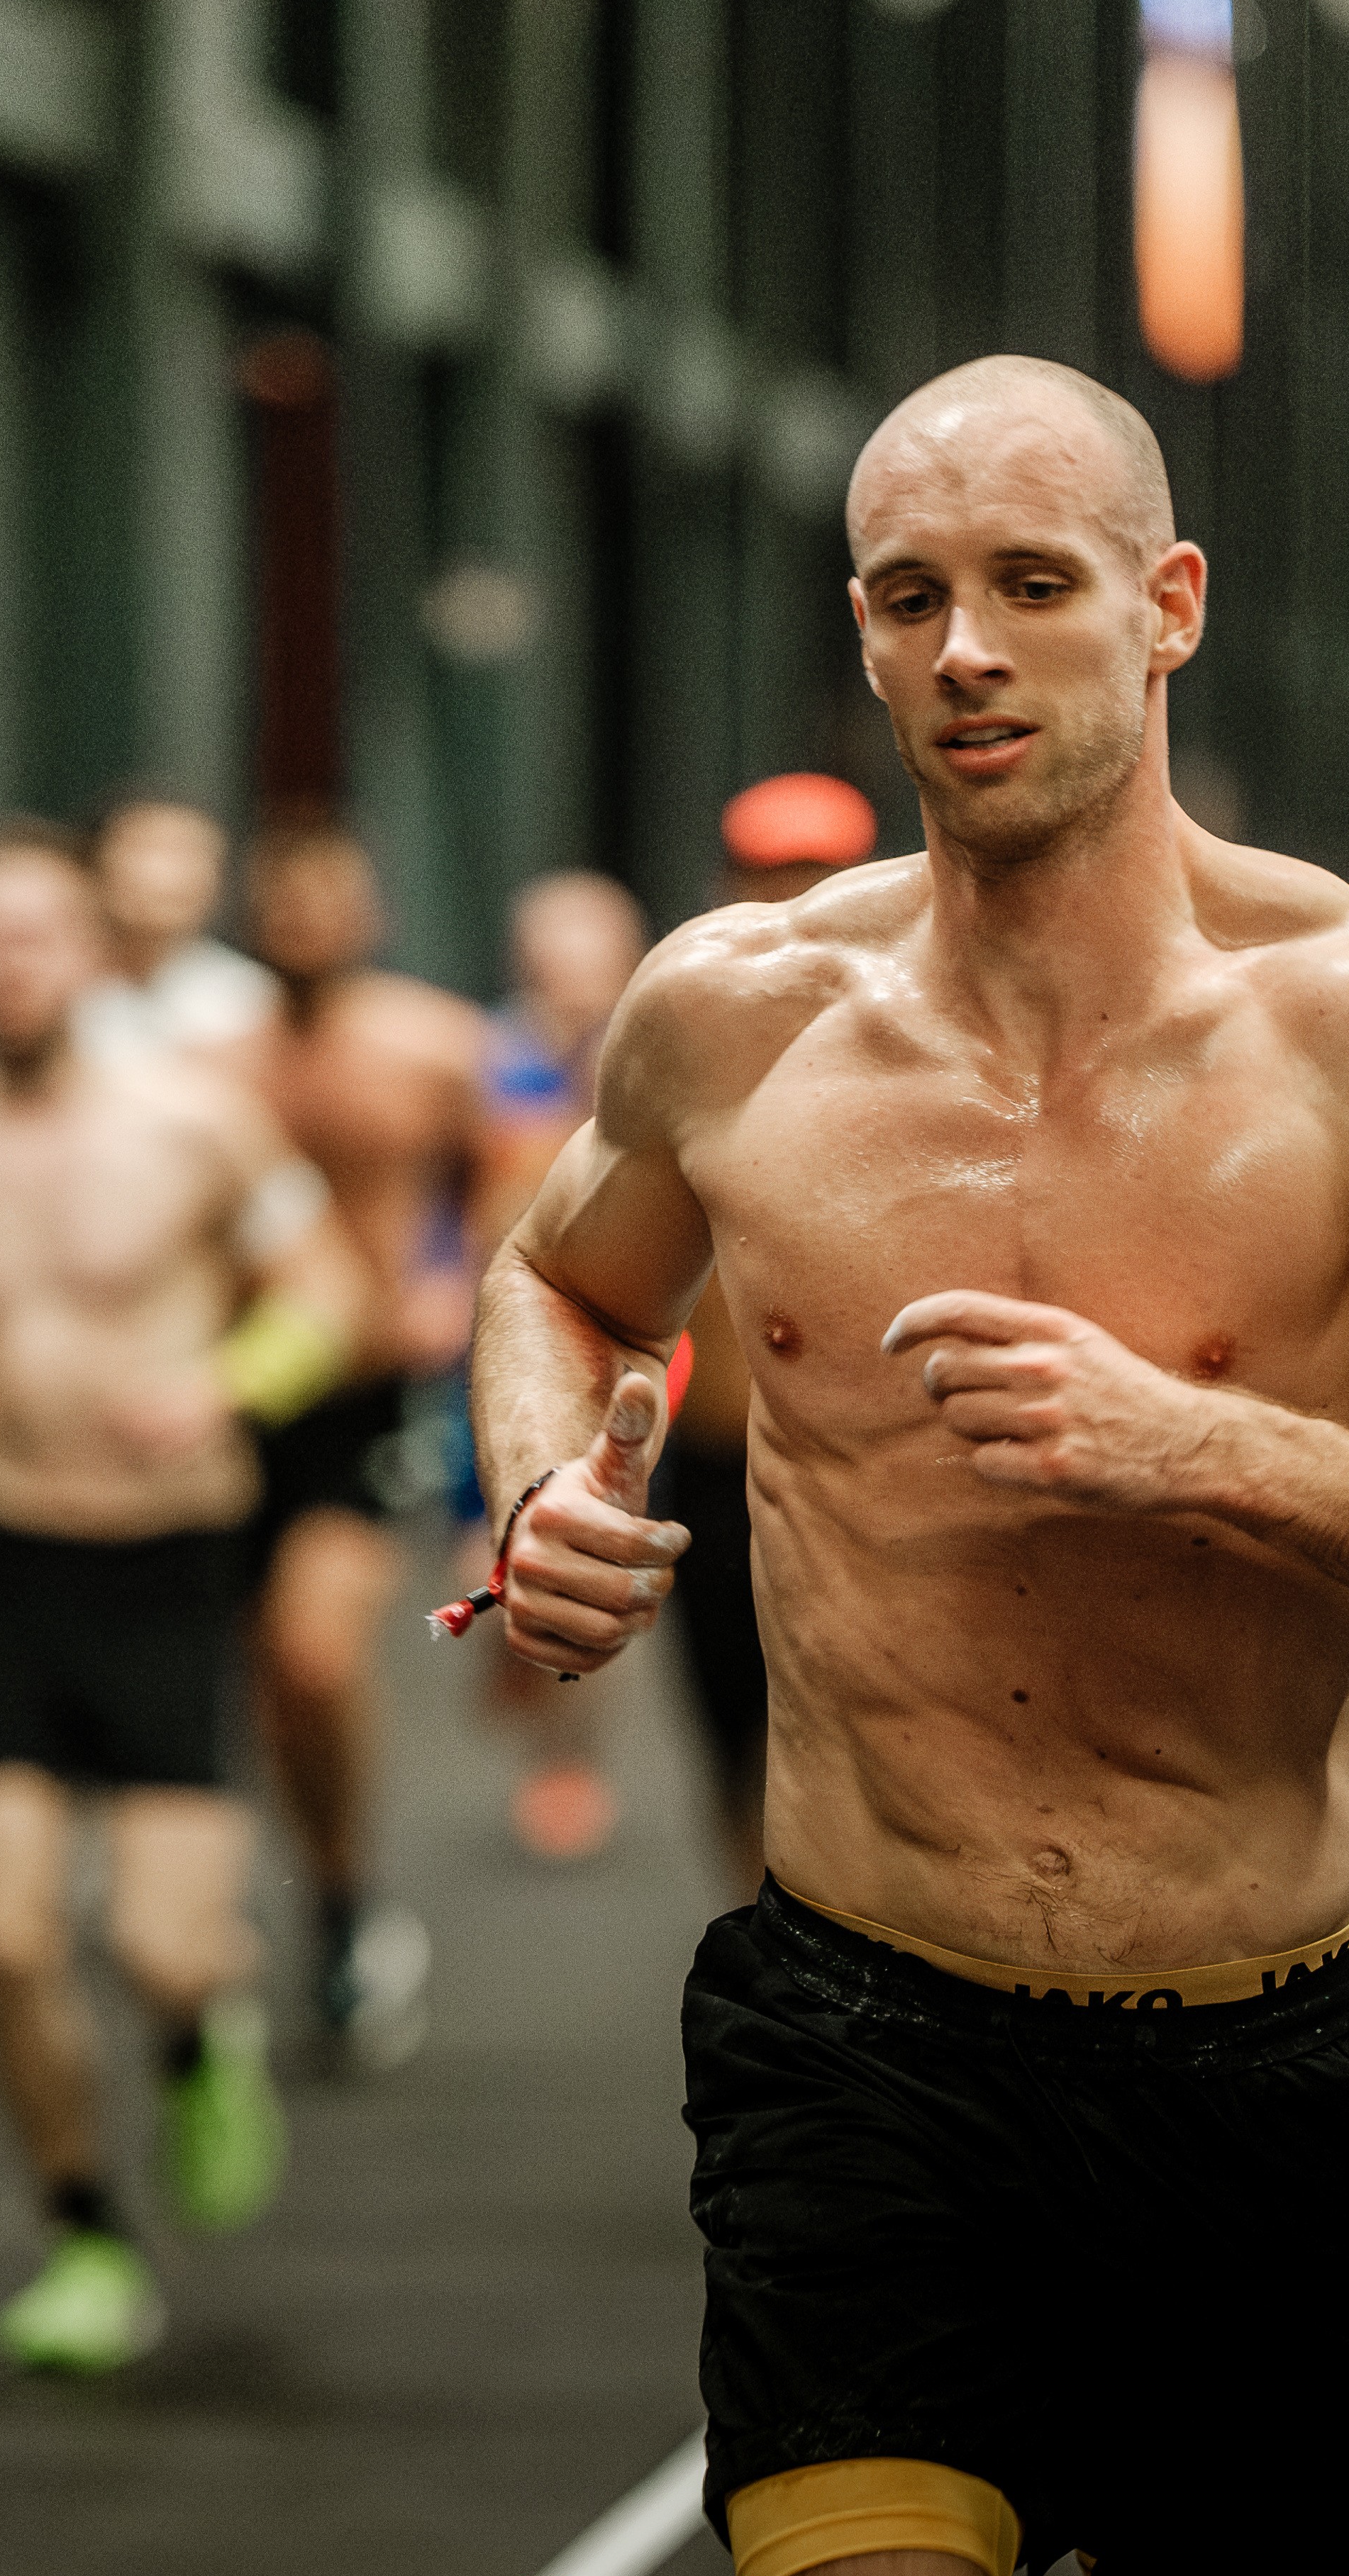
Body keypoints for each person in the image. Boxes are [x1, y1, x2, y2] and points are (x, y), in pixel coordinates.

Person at [460, 356, 1349, 2576]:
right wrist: (541, 1491)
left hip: (1260, 2073)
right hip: (854, 2044)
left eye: (1029, 588)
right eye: (908, 598)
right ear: (855, 631)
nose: (965, 652)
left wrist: (1199, 1446)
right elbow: (550, 1277)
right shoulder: (730, 1021)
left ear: (1167, 609)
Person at [0, 821, 365, 2375]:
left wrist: (229, 1384)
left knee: (164, 1946)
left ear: (91, 955)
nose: (7, 963)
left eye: (36, 935)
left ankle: (205, 2035)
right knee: (5, 1934)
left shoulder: (195, 1126)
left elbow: (325, 1293)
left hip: (162, 1565)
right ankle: (85, 2232)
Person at [247, 816, 482, 2066]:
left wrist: (449, 1282)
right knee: (265, 1687)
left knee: (313, 1655)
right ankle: (324, 1889)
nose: (301, 926)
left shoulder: (434, 1047)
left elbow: (509, 1198)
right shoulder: (210, 1061)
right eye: (280, 903)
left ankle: (345, 1900)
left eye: (324, 903)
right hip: (238, 1402)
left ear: (368, 914)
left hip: (365, 1401)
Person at [656, 773, 889, 1900]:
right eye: (769, 877)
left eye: (819, 877)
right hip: (712, 1476)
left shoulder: (930, 1061)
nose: (796, 902)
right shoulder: (678, 1058)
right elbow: (567, 1274)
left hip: (888, 1483)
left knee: (881, 1757)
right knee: (734, 1746)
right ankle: (768, 1963)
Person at [476, 870, 653, 1864]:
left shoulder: (649, 1055)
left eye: (595, 956)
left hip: (616, 1339)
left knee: (586, 1546)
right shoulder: (489, 1059)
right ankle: (516, 1647)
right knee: (486, 1562)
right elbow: (447, 1188)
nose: (576, 979)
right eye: (557, 956)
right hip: (495, 1335)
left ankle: (566, 1760)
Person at [76, 791, 276, 1070]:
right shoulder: (61, 992)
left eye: (191, 853)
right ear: (94, 866)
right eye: (145, 849)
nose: (167, 875)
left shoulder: (252, 1000)